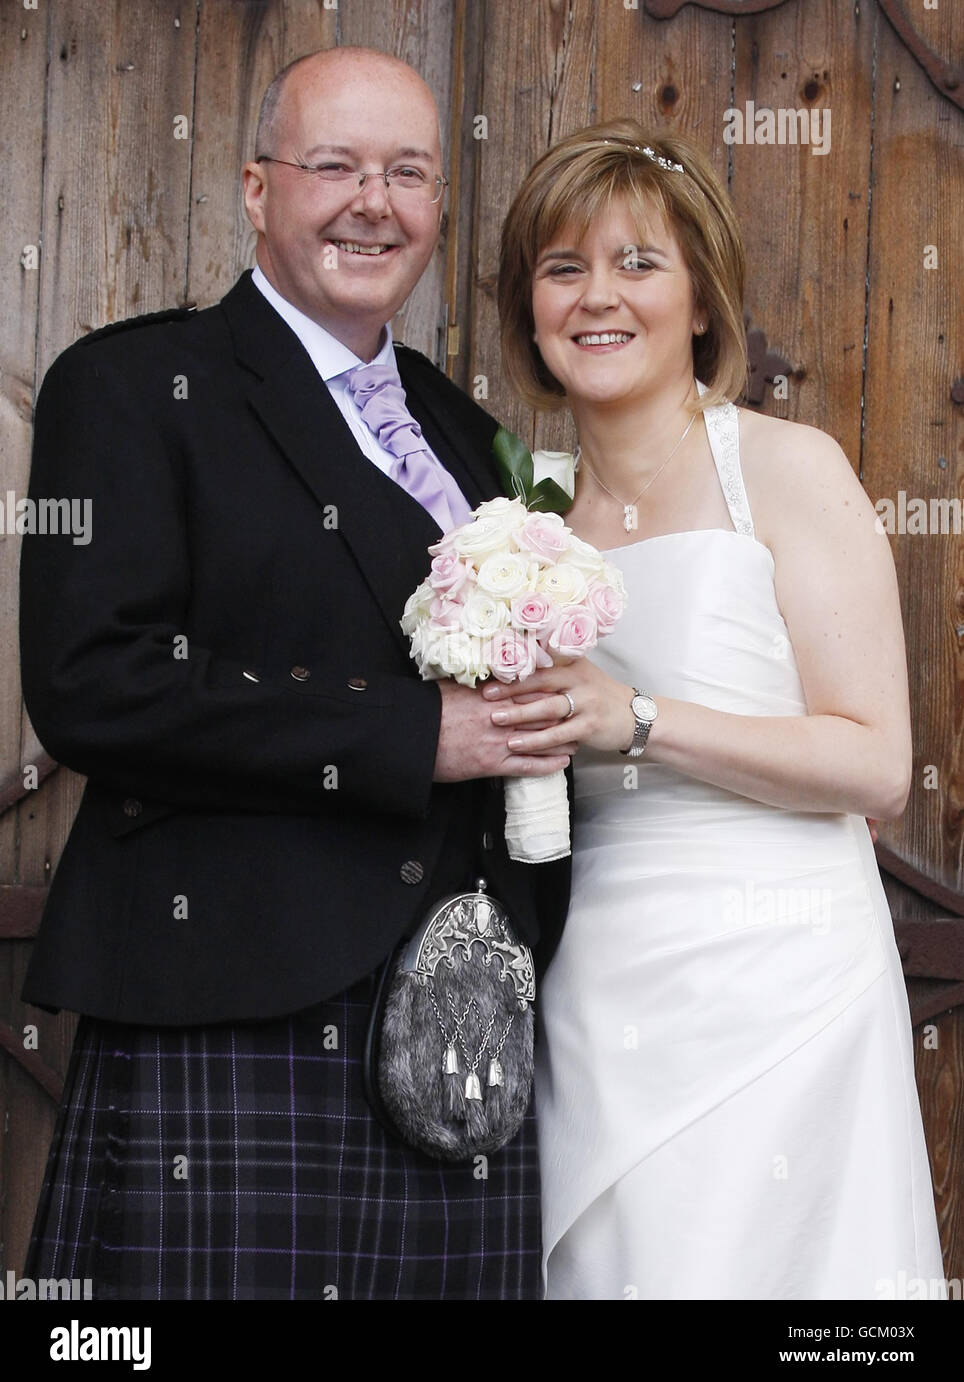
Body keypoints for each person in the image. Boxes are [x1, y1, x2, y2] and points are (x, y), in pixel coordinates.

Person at [19, 47, 574, 1301]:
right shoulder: (128, 387)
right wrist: (411, 735)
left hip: (459, 1027)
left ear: (438, 205)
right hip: (236, 999)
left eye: (407, 172)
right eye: (333, 166)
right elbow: (93, 683)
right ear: (258, 190)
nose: (371, 202)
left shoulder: (464, 430)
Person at [487, 118, 947, 1299]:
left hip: (784, 983)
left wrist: (636, 718)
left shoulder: (785, 471)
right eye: (562, 267)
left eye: (637, 263)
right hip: (600, 992)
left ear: (700, 301)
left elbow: (875, 765)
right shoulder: (516, 525)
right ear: (529, 309)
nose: (598, 297)